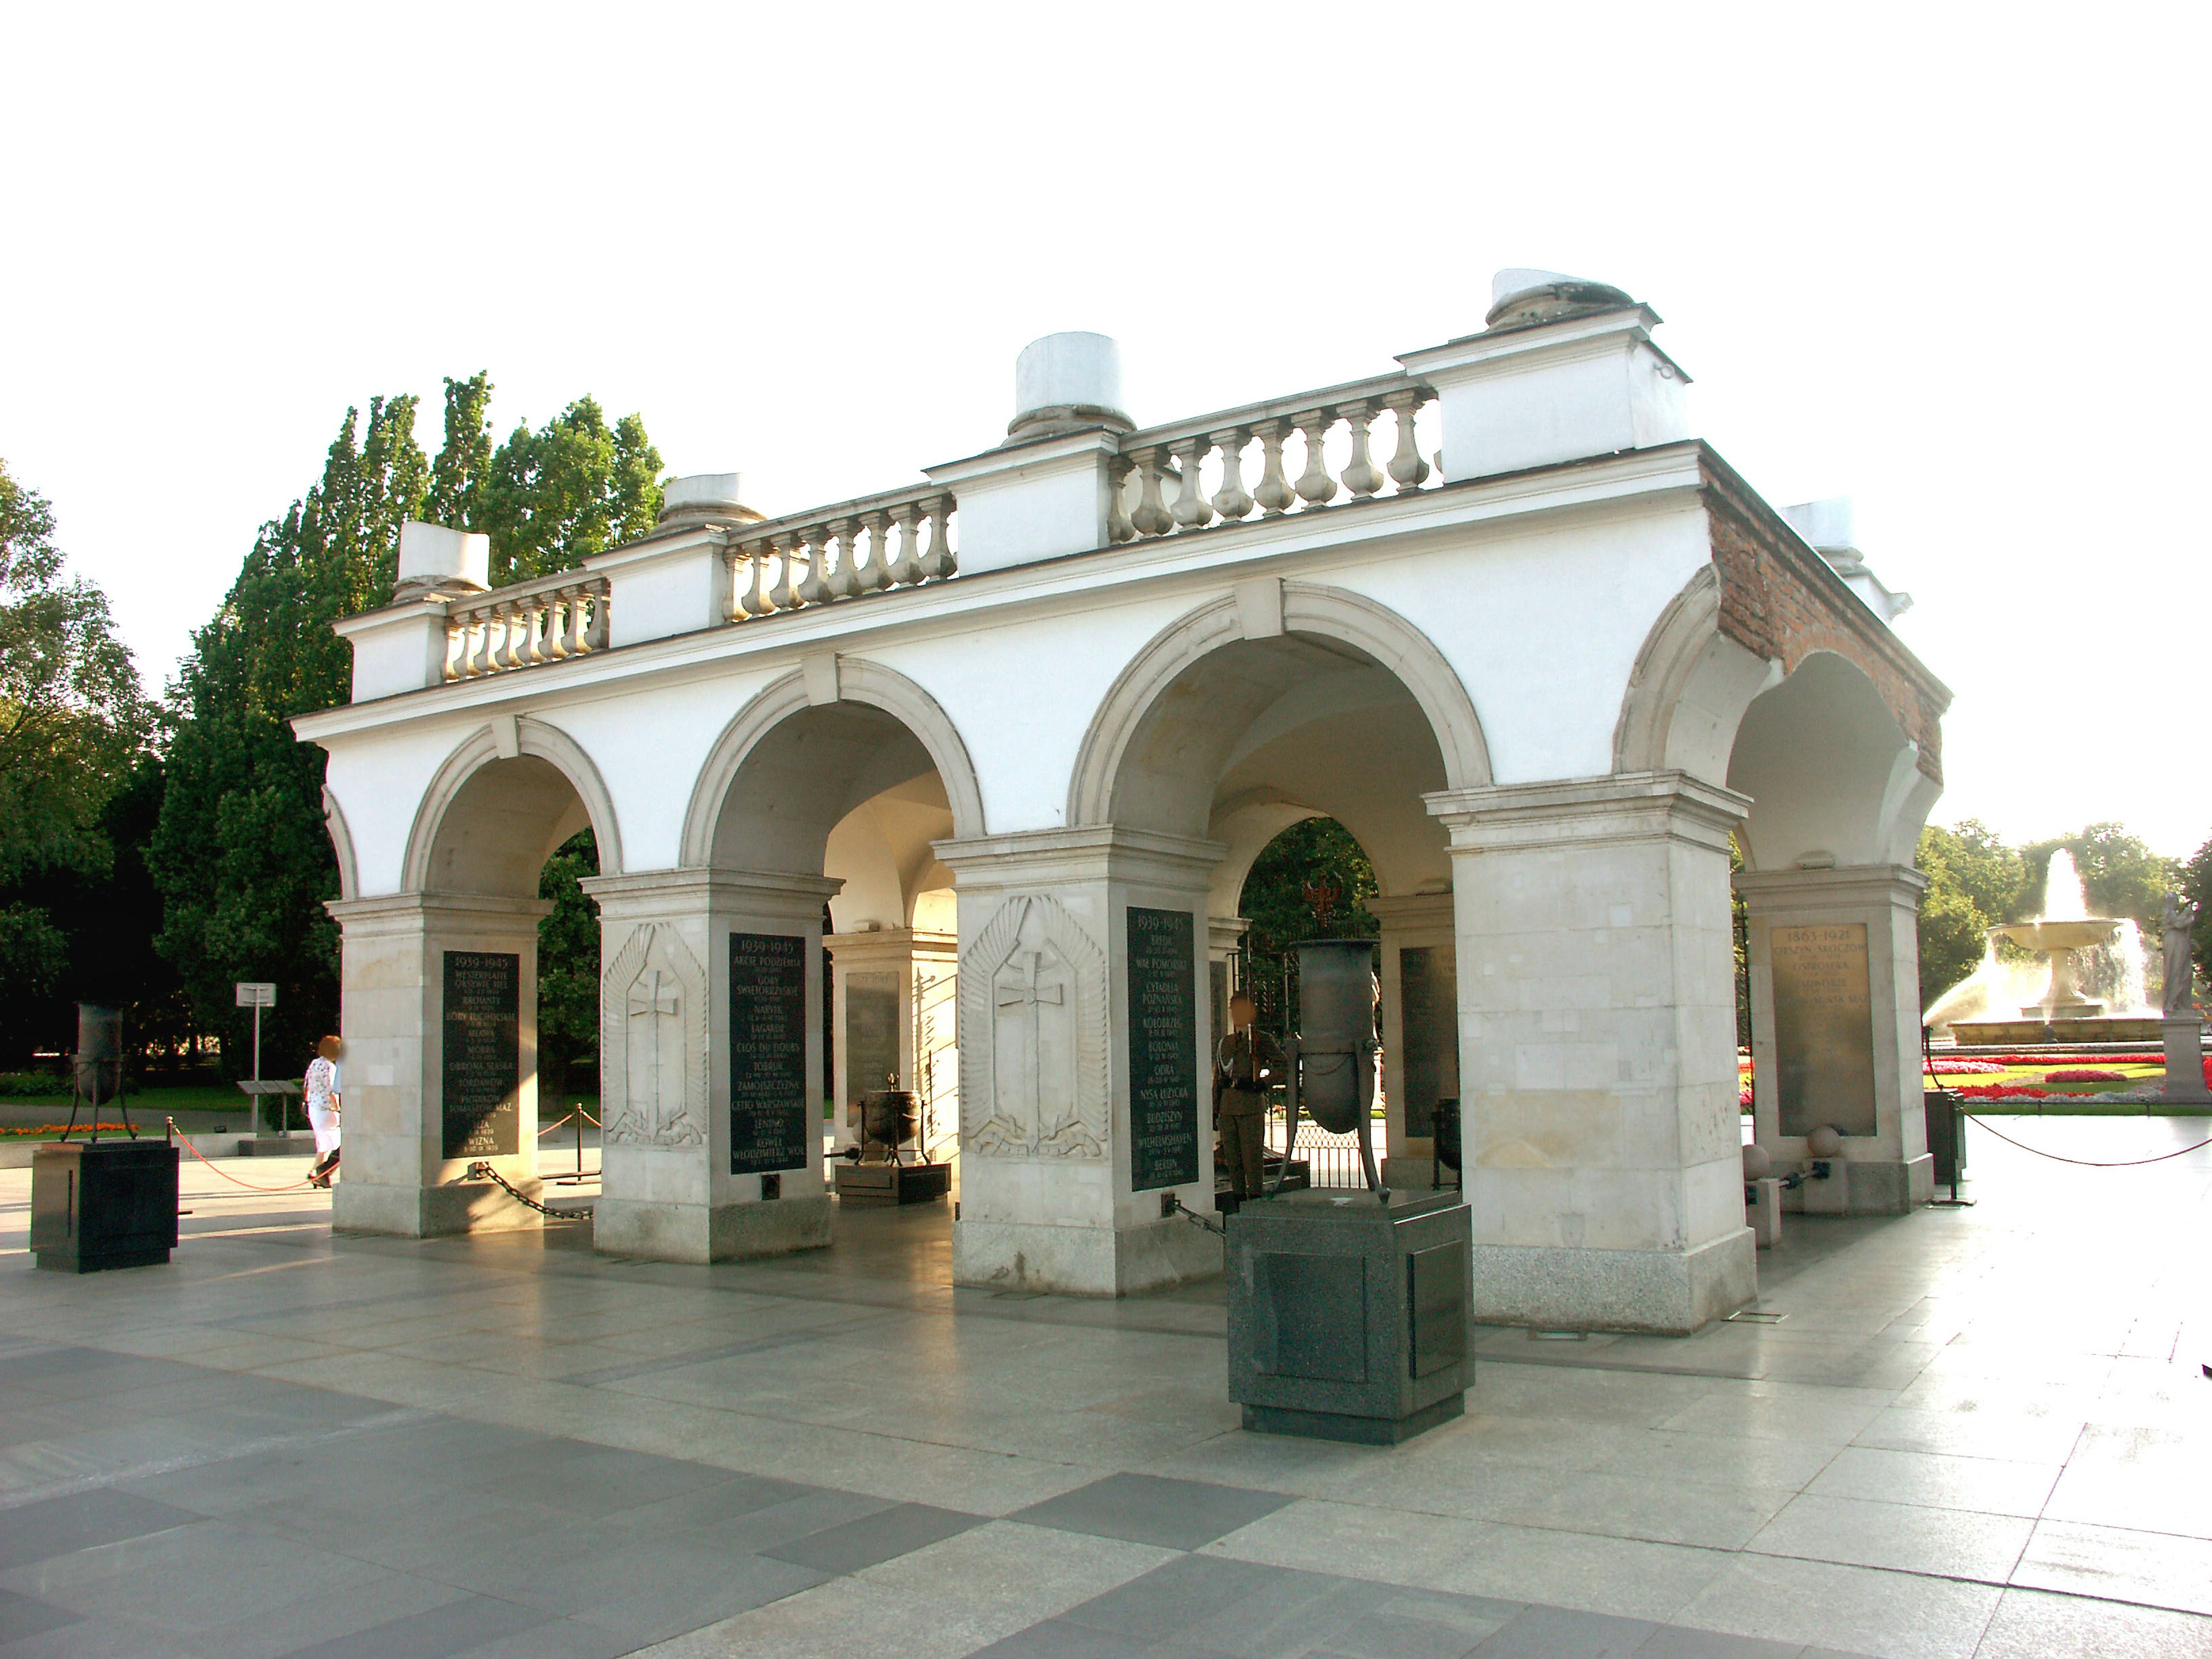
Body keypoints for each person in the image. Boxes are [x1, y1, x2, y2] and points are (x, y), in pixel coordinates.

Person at [1214, 994, 1285, 1201]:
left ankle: (1255, 1198)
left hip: (1250, 1106)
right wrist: (1215, 1109)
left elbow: (1283, 1065)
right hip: (1228, 1107)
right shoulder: (1226, 1043)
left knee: (1252, 1159)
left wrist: (1262, 1083)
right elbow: (1218, 1078)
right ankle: (1238, 1199)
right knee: (1233, 1160)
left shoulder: (1261, 1040)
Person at [305, 1035, 342, 1188]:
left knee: (324, 1143)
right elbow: (331, 1090)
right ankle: (320, 1172)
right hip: (327, 1109)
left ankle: (316, 1173)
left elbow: (307, 1085)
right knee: (334, 1144)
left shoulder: (314, 1064)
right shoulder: (330, 1068)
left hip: (314, 1107)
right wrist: (338, 1108)